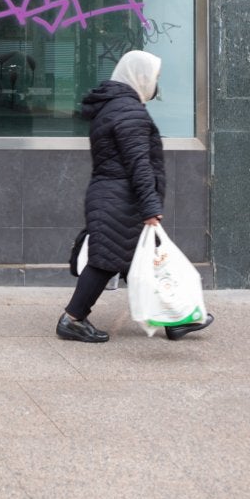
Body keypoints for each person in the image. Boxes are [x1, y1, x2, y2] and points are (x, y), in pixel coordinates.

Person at [57, 50, 213, 343]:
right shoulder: (129, 112)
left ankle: (176, 319)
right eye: (154, 77)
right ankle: (72, 319)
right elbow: (139, 163)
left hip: (111, 195)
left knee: (143, 259)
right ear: (140, 77)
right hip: (123, 199)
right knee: (106, 262)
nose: (156, 84)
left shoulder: (113, 107)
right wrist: (150, 205)